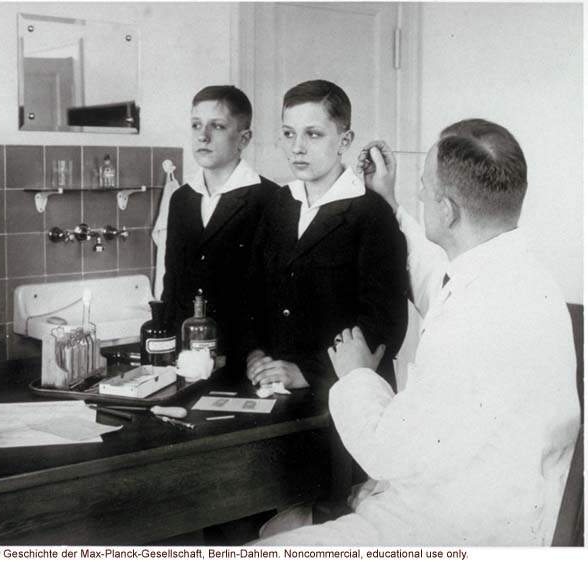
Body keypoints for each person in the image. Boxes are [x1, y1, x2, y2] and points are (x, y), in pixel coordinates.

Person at [257, 119, 581, 545]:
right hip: (511, 508)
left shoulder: (473, 316)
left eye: (425, 188)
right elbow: (438, 281)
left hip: (449, 531)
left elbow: (390, 454)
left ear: (447, 210)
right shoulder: (530, 283)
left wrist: (356, 375)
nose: (422, 195)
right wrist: (390, 204)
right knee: (285, 526)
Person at [245, 80, 408, 397]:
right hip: (276, 386)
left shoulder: (371, 212)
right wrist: (254, 352)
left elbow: (384, 324)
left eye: (313, 134)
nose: (297, 147)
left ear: (345, 140)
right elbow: (252, 294)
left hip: (343, 396)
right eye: (289, 133)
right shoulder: (279, 203)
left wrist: (305, 371)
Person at [162, 85, 278, 372]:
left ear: (244, 138)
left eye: (217, 126)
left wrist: (251, 352)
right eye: (196, 125)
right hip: (188, 357)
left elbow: (275, 292)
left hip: (247, 358)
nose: (203, 136)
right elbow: (173, 283)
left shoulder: (269, 199)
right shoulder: (182, 199)